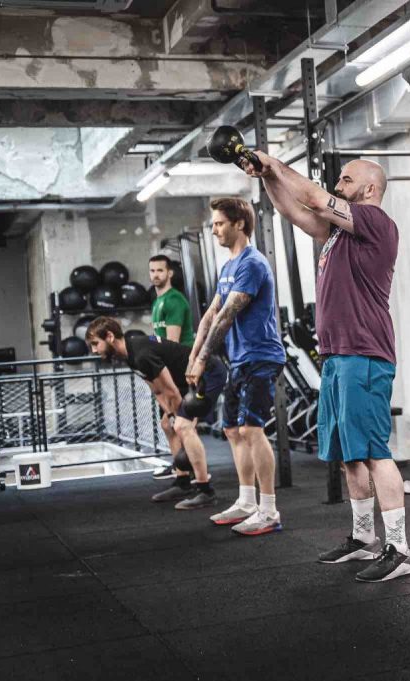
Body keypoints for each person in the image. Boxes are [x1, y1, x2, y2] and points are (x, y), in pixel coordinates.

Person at [240, 151, 410, 582]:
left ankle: (400, 549)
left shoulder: (375, 222)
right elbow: (296, 212)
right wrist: (267, 177)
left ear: (370, 188)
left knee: (373, 452)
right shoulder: (339, 233)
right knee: (347, 455)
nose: (338, 184)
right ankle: (364, 538)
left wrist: (275, 164)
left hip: (364, 354)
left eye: (347, 179)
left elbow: (316, 199)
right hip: (337, 356)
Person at [188, 197, 287, 537]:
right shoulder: (228, 266)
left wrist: (203, 360)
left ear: (239, 224)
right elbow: (211, 314)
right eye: (213, 224)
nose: (214, 229)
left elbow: (226, 317)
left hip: (261, 357)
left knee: (251, 430)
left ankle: (269, 510)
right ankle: (246, 502)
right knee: (232, 429)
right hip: (240, 359)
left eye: (219, 223)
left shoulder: (252, 264)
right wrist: (194, 355)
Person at [85, 316, 225, 509]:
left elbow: (171, 392)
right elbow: (158, 390)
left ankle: (206, 490)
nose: (94, 350)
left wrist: (181, 420)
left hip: (208, 373)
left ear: (109, 336)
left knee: (182, 427)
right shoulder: (130, 354)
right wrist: (170, 414)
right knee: (167, 425)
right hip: (184, 381)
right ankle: (183, 483)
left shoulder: (141, 354)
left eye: (95, 344)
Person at [149, 254, 197, 480]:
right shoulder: (157, 302)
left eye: (160, 270)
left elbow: (171, 343)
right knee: (168, 424)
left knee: (178, 422)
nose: (155, 275)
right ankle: (181, 466)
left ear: (169, 273)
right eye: (152, 271)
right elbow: (157, 339)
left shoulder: (174, 301)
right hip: (165, 365)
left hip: (178, 366)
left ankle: (190, 468)